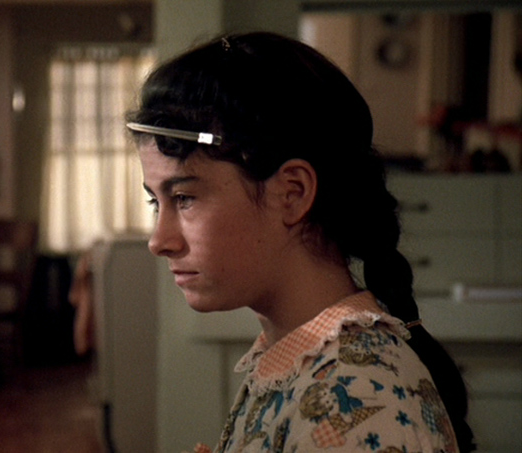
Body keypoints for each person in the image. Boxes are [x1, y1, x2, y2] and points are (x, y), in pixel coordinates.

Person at [126, 32, 474, 452]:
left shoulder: (357, 400)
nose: (159, 241)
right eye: (156, 201)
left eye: (184, 198)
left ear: (291, 193)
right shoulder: (299, 359)